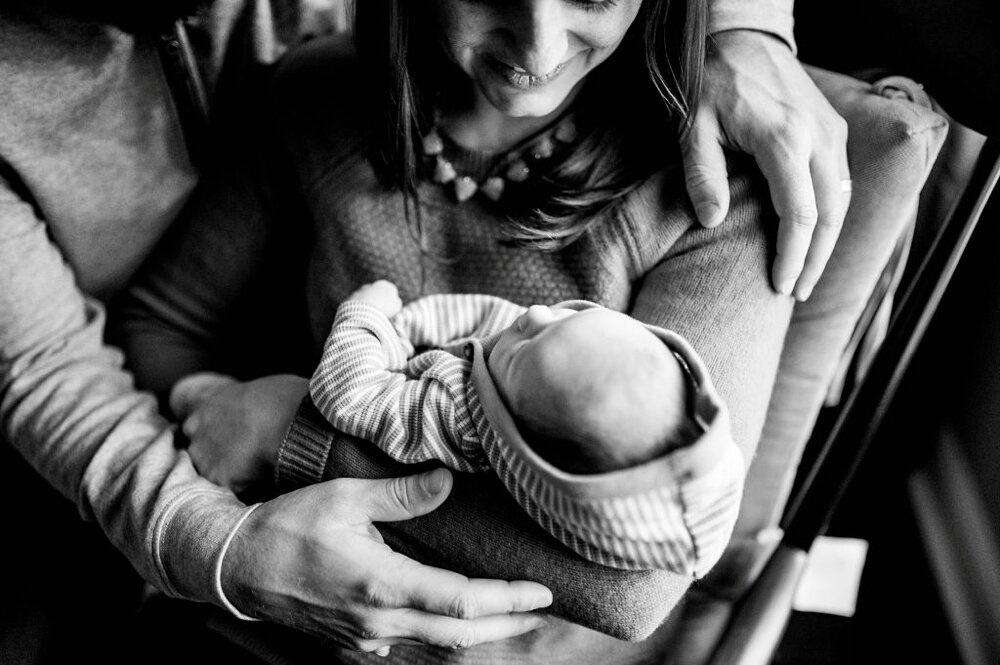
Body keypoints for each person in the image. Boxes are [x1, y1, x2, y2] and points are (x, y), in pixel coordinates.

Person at [0, 0, 856, 659]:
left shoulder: (716, 184)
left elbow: (640, 584)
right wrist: (212, 421)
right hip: (290, 621)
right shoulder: (317, 99)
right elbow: (157, 325)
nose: (539, 50)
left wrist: (292, 435)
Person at [296, 280, 741, 575]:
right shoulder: (537, 369)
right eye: (574, 315)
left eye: (523, 348)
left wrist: (367, 317)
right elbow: (488, 320)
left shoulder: (456, 417)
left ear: (514, 439)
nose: (535, 314)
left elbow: (348, 393)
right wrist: (412, 324)